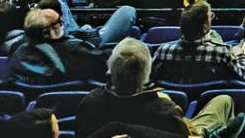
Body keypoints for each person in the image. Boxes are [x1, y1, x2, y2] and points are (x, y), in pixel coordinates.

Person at [75, 38, 236, 138]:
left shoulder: (90, 102)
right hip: (184, 129)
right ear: (147, 73)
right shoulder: (164, 109)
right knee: (224, 101)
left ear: (110, 67)